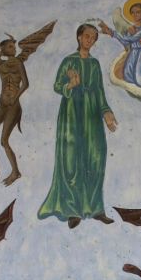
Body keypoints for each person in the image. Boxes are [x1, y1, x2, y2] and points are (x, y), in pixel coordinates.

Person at [37, 23, 118, 229]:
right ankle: (73, 210)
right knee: (71, 161)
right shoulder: (68, 61)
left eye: (93, 38)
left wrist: (106, 112)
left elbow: (99, 90)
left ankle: (95, 208)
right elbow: (57, 86)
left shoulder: (94, 64)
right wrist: (70, 85)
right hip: (72, 112)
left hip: (92, 115)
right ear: (79, 37)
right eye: (87, 36)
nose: (90, 40)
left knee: (95, 158)